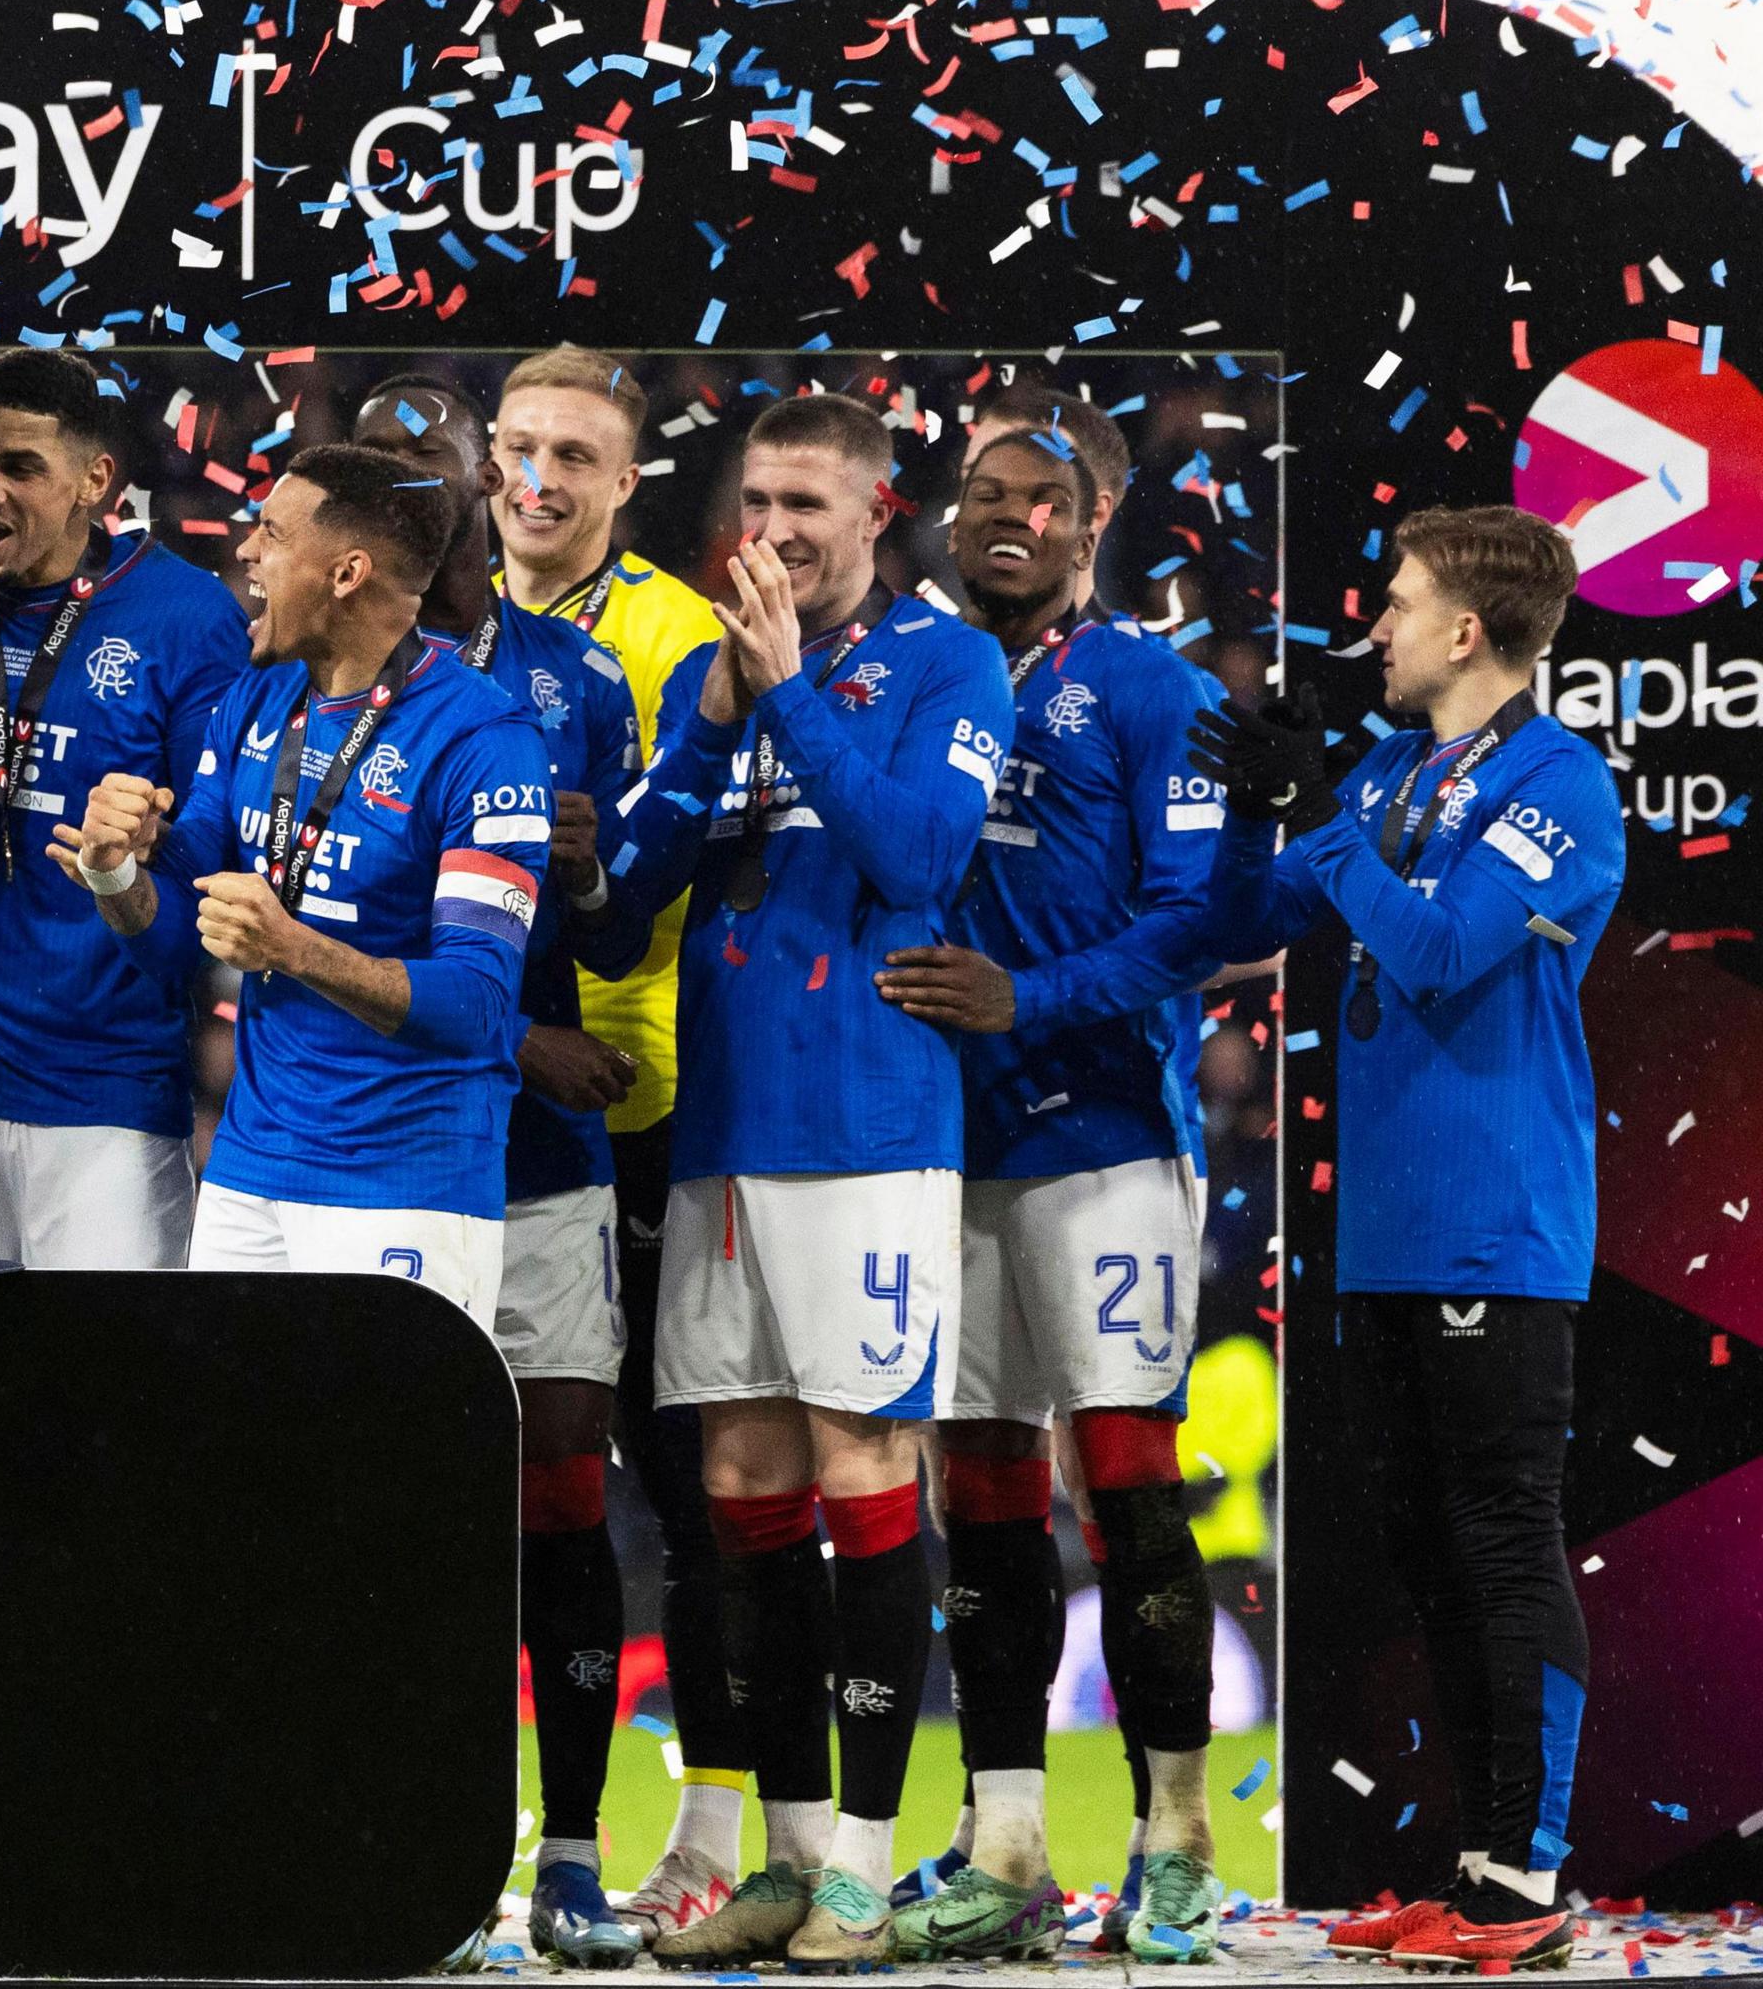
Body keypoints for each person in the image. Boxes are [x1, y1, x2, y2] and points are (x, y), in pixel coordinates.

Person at [608, 393, 1013, 1970]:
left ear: (875, 510)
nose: (770, 530)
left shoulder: (944, 662)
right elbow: (620, 903)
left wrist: (787, 701)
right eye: (753, 500)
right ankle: (780, 1852)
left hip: (863, 1129)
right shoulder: (723, 675)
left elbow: (920, 857)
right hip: (719, 1132)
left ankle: (862, 1857)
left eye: (804, 503)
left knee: (860, 1471)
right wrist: (715, 716)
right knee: (737, 1488)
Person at [1189, 507, 1620, 1977]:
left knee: (1505, 1540)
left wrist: (1322, 811)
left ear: (1466, 632)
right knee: (1434, 1547)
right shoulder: (1395, 770)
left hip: (1498, 1224)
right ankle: (1477, 1865)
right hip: (1384, 1227)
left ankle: (1530, 1873)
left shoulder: (1562, 782)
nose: (1373, 621)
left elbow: (1441, 947)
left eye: (1400, 598)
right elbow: (1251, 916)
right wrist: (1264, 803)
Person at [358, 352, 746, 1940]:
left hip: (592, 1132)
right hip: (369, 1144)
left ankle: (587, 1846)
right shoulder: (309, 658)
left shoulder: (600, 673)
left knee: (594, 1486)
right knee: (392, 1506)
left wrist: (593, 891)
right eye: (502, 453)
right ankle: (413, 1827)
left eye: (553, 455)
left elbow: (627, 902)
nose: (517, 483)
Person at [867, 420, 1230, 1964]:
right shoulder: (910, 671)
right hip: (941, 1151)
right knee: (986, 1495)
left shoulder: (1155, 686)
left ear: (1096, 527)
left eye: (1044, 502)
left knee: (1129, 1481)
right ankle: (1006, 1833)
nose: (1009, 518)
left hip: (1103, 1144)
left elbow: (1202, 919)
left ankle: (1178, 1831)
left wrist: (1032, 996)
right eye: (986, 497)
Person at [60, 445, 553, 1304]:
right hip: (250, 1170)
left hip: (405, 1184)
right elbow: (176, 937)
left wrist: (291, 946)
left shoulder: (486, 742)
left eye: (272, 533)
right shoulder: (253, 701)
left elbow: (476, 1006)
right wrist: (118, 870)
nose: (246, 551)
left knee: (372, 1446)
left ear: (347, 572)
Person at [0, 347, 243, 1268]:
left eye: (20, 468)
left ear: (96, 480)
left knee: (100, 1400)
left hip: (104, 1100)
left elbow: (208, 855)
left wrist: (143, 845)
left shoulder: (187, 614)